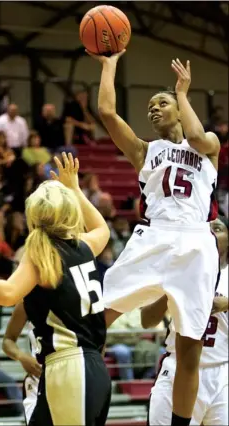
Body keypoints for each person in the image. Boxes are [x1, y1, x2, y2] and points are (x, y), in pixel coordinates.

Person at [88, 49, 220, 426]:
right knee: (94, 321)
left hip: (195, 242)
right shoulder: (146, 151)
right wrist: (110, 65)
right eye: (150, 106)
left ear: (179, 108)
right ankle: (86, 404)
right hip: (153, 237)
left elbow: (195, 134)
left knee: (189, 348)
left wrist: (182, 92)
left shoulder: (207, 144)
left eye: (161, 103)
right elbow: (108, 115)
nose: (153, 109)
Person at [0, 152, 112, 426]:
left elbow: (7, 294)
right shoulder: (82, 246)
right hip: (90, 365)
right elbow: (102, 228)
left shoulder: (45, 252)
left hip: (69, 365)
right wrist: (74, 188)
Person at [143, 216, 228, 425]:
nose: (210, 233)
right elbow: (147, 320)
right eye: (205, 229)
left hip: (221, 373)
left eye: (217, 228)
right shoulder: (175, 267)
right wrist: (170, 290)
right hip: (177, 368)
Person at [2, 302, 42, 425]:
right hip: (38, 377)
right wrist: (22, 357)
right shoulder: (27, 301)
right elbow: (7, 341)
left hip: (72, 373)